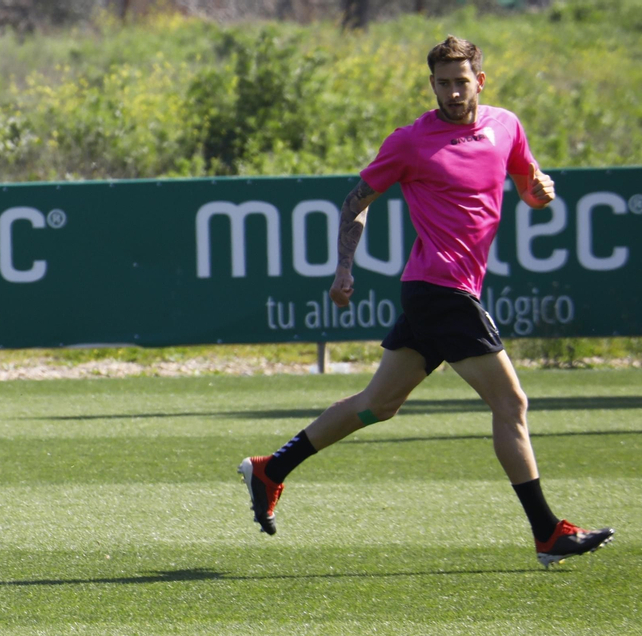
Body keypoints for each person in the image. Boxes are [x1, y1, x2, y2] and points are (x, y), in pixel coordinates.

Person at [239, 35, 614, 568]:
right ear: (432, 83)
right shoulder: (411, 141)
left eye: (462, 82)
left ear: (479, 81)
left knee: (377, 404)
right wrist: (344, 266)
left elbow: (528, 186)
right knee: (512, 404)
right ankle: (547, 533)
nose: (453, 92)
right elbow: (355, 202)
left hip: (436, 293)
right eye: (443, 83)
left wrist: (541, 194)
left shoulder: (506, 125)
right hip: (440, 290)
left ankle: (271, 468)